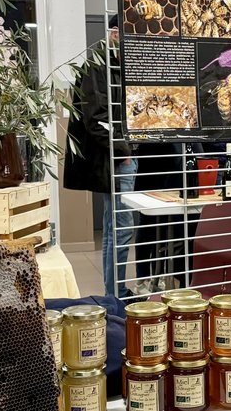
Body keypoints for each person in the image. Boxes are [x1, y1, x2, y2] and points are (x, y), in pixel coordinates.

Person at [63, 16, 136, 297]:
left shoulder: (114, 64)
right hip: (118, 160)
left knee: (116, 228)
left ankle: (114, 291)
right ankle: (115, 293)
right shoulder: (98, 66)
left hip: (123, 158)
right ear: (115, 33)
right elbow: (97, 119)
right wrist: (125, 152)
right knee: (120, 229)